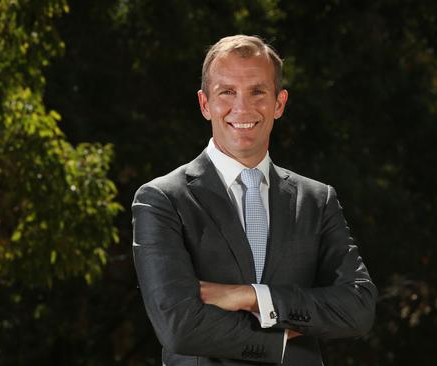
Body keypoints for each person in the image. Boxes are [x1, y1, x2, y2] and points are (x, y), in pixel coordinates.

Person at [132, 34, 377, 365]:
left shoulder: (317, 200)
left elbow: (358, 307)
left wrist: (250, 296)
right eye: (227, 92)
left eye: (257, 92)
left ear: (279, 103)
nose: (242, 108)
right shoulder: (162, 199)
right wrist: (282, 341)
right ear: (205, 104)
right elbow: (179, 327)